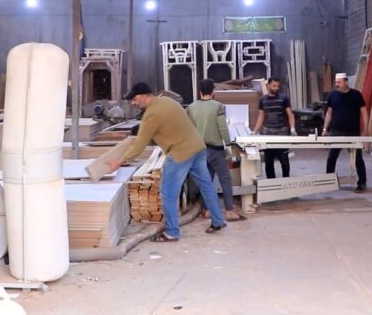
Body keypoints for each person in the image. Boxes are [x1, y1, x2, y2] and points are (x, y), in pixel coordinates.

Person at [116, 82, 226, 242]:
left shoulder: (151, 114)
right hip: (198, 148)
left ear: (143, 96)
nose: (133, 103)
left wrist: (120, 161)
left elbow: (140, 144)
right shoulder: (168, 101)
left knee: (168, 193)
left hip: (180, 154)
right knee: (206, 186)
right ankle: (218, 221)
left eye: (134, 99)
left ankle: (172, 232)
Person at [187, 79, 246, 222]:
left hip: (199, 150)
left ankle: (207, 210)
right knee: (225, 179)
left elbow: (188, 129)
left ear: (200, 92)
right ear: (213, 91)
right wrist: (228, 144)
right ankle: (229, 211)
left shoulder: (191, 108)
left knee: (206, 180)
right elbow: (223, 127)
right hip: (216, 150)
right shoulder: (218, 106)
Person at [323, 73, 369, 192]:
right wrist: (325, 129)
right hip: (336, 131)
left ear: (346, 82)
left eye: (339, 82)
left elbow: (364, 112)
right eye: (336, 82)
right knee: (332, 157)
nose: (336, 84)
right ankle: (328, 181)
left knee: (357, 158)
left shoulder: (356, 95)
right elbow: (329, 113)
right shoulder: (332, 95)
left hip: (353, 132)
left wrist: (365, 130)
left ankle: (362, 182)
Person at [252, 77, 297, 179]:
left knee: (284, 159)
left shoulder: (284, 98)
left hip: (282, 132)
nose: (276, 88)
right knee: (269, 161)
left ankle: (285, 181)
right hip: (268, 133)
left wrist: (292, 128)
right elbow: (261, 116)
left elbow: (290, 114)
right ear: (268, 85)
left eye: (278, 86)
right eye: (274, 86)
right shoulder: (263, 100)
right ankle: (271, 182)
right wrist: (255, 131)